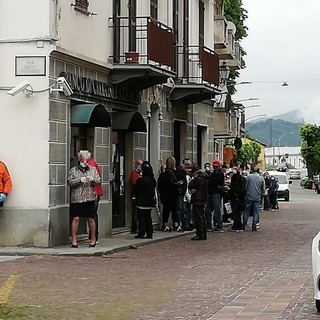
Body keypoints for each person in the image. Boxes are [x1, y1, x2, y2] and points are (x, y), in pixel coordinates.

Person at [68, 152, 101, 248]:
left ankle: (93, 239)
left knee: (90, 218)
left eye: (87, 160)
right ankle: (74, 239)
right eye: (83, 160)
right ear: (79, 160)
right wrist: (79, 180)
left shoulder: (92, 169)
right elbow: (70, 182)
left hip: (89, 197)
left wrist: (92, 180)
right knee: (76, 218)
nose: (85, 162)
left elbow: (98, 180)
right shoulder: (73, 170)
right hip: (77, 198)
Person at [133, 163, 157, 239]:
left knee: (141, 218)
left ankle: (141, 233)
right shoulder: (152, 180)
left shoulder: (141, 180)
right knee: (148, 218)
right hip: (149, 201)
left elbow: (135, 190)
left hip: (141, 201)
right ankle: (149, 233)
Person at [158, 157, 180, 232]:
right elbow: (171, 183)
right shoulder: (170, 172)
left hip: (165, 195)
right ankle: (175, 224)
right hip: (171, 195)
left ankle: (165, 224)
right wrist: (178, 184)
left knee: (166, 210)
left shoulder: (163, 174)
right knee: (173, 210)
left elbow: (160, 185)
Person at [86, 151, 103, 243]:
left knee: (92, 215)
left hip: (94, 192)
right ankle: (92, 236)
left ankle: (94, 236)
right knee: (92, 214)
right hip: (95, 192)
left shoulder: (91, 164)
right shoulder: (92, 163)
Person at [188, 164, 208, 240]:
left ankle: (200, 234)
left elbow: (190, 185)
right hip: (203, 198)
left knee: (198, 217)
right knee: (202, 216)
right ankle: (203, 233)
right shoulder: (205, 177)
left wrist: (193, 179)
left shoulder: (198, 179)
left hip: (197, 199)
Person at [242, 166, 265, 231]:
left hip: (249, 196)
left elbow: (245, 187)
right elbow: (263, 189)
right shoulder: (261, 178)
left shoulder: (248, 177)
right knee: (256, 211)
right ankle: (254, 225)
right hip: (257, 197)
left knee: (246, 211)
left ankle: (244, 224)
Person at [204, 160, 225, 232]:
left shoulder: (220, 174)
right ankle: (209, 225)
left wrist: (211, 180)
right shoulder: (213, 173)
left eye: (216, 166)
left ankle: (219, 225)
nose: (215, 168)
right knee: (208, 210)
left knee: (217, 210)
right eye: (214, 166)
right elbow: (211, 181)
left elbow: (214, 181)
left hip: (216, 193)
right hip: (211, 193)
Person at [229, 166, 246, 232]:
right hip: (240, 197)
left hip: (236, 197)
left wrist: (235, 195)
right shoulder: (242, 178)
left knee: (235, 212)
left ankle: (237, 226)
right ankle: (238, 225)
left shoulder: (235, 178)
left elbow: (235, 188)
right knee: (238, 212)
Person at [130, 159, 142, 234]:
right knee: (135, 212)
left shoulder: (141, 173)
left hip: (141, 196)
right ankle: (134, 228)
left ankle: (139, 227)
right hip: (135, 195)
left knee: (139, 212)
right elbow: (134, 183)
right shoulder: (134, 173)